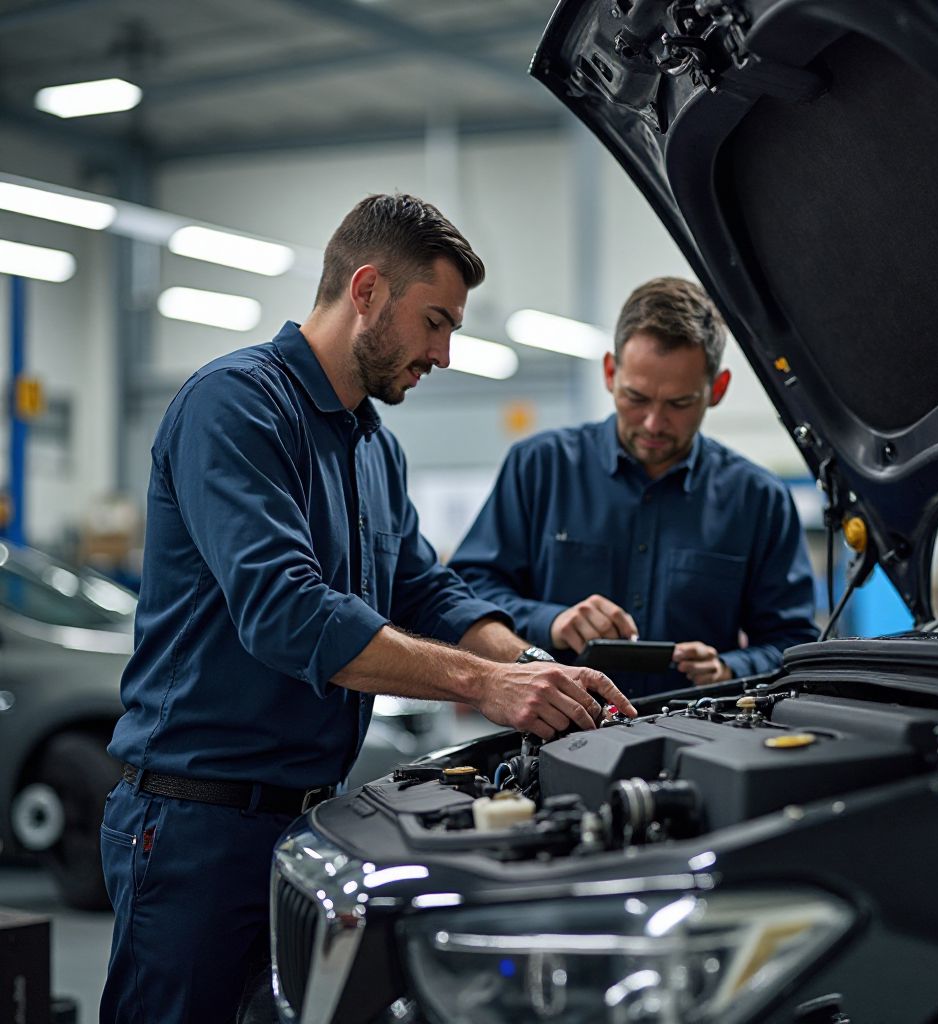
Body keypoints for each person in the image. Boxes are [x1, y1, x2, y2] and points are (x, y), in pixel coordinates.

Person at [99, 193, 635, 1024]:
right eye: (435, 322)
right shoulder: (235, 406)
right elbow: (287, 612)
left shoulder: (372, 447)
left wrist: (532, 668)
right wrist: (486, 686)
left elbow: (427, 589)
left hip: (309, 827)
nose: (444, 354)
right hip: (195, 828)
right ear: (367, 290)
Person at [449, 276, 817, 697]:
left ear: (717, 389)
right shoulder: (539, 467)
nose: (654, 423)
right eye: (637, 398)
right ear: (610, 372)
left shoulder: (759, 499)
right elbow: (469, 592)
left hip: (696, 730)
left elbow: (793, 643)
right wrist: (551, 621)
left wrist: (729, 668)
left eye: (679, 403)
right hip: (557, 725)